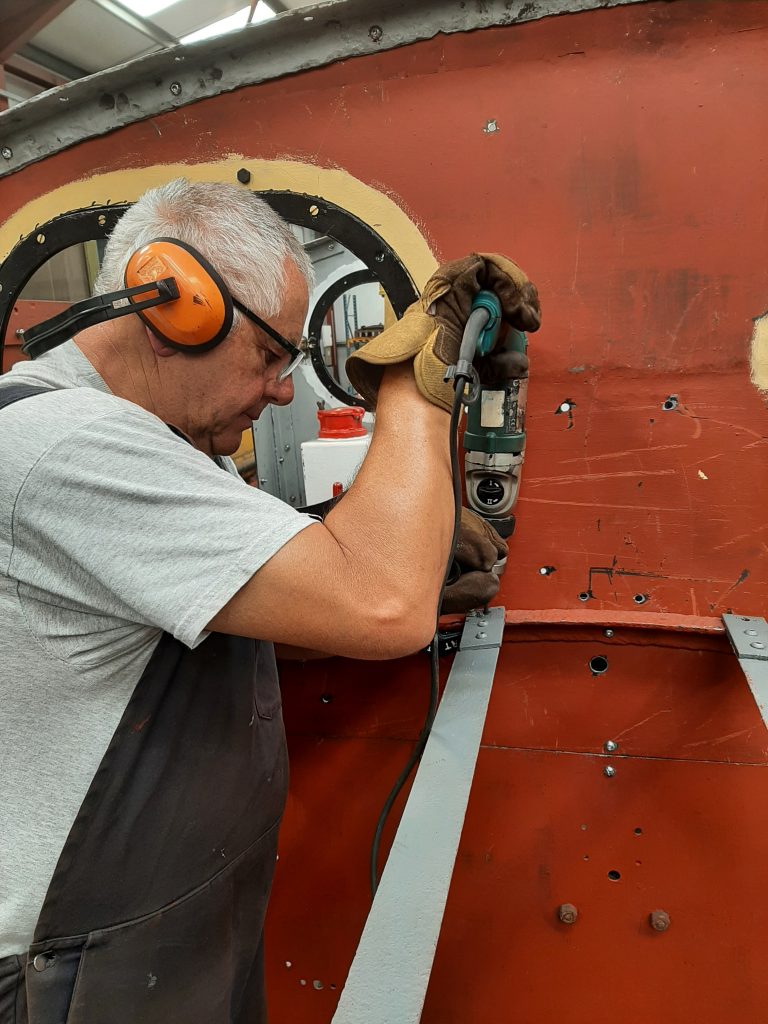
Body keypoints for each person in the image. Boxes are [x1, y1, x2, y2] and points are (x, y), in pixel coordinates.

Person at [0, 178, 540, 1023]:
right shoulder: (61, 443)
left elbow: (226, 622)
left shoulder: (162, 443)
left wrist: (335, 559)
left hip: (168, 920)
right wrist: (412, 381)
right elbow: (384, 608)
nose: (285, 390)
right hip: (79, 964)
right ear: (177, 307)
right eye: (272, 356)